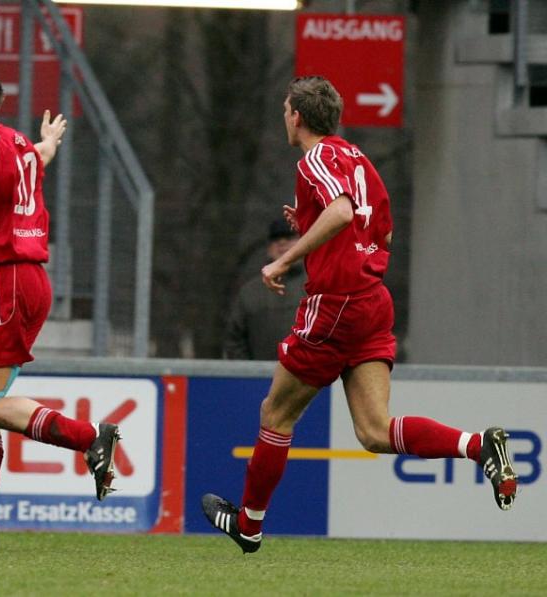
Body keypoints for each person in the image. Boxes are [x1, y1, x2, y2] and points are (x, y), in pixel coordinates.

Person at [202, 76, 518, 554]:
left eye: (286, 110)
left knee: (276, 413)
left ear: (297, 117)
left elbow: (342, 213)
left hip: (336, 304)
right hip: (371, 300)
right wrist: (310, 223)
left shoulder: (314, 159)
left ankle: (248, 525)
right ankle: (477, 446)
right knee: (373, 430)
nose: (285, 117)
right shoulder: (359, 159)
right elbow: (381, 234)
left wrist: (285, 259)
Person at [0, 68, 120, 552]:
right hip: (27, 280)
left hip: (4, 279)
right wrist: (49, 142)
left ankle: (90, 436)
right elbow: (38, 157)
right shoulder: (17, 144)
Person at [223, 218, 304, 360]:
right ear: (269, 248)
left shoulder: (319, 284)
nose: (282, 242)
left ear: (304, 242)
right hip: (260, 373)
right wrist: (249, 370)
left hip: (312, 372)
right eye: (275, 239)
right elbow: (234, 339)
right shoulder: (249, 292)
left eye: (289, 237)